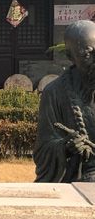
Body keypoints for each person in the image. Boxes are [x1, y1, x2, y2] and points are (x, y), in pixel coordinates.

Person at [34, 20, 95, 182]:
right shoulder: (54, 93)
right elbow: (42, 151)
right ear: (70, 56)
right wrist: (66, 147)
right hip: (81, 178)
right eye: (87, 54)